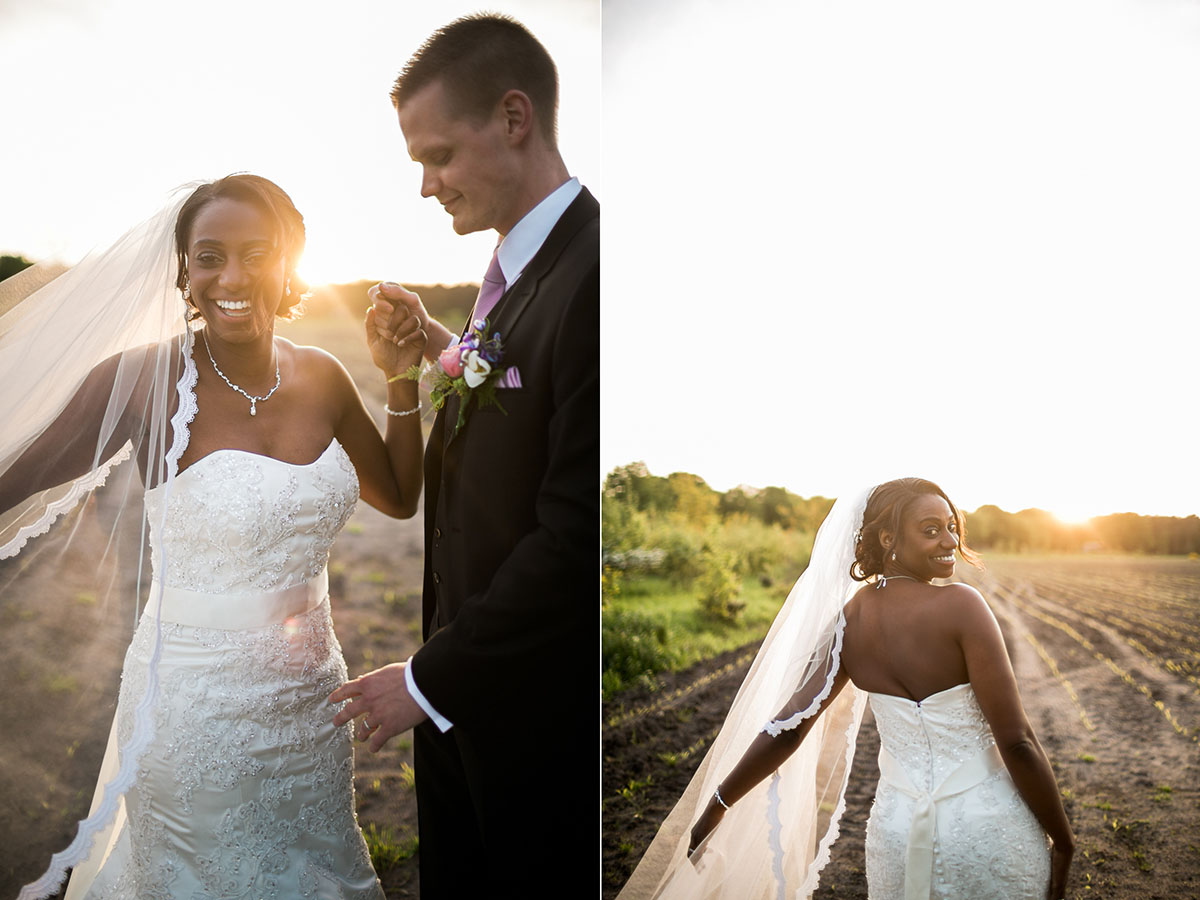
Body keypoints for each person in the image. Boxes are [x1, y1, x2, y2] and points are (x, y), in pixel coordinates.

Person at [2, 173, 427, 899]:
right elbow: (14, 473)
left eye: (256, 253)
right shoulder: (142, 381)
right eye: (209, 257)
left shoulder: (322, 376)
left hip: (311, 707)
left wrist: (399, 382)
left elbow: (397, 492)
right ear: (183, 273)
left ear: (288, 263)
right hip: (192, 716)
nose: (233, 276)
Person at [327, 13, 599, 897]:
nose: (425, 185)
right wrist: (444, 352)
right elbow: (526, 402)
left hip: (534, 726)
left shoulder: (598, 271)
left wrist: (425, 678)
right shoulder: (524, 272)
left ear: (514, 119)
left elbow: (570, 537)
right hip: (467, 710)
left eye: (436, 156)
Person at [619, 478, 1074, 900]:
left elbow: (789, 728)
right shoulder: (963, 606)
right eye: (931, 529)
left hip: (895, 832)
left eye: (952, 527)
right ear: (887, 539)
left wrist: (719, 804)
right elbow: (1016, 742)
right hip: (985, 830)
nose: (950, 541)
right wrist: (1064, 842)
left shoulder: (850, 622)